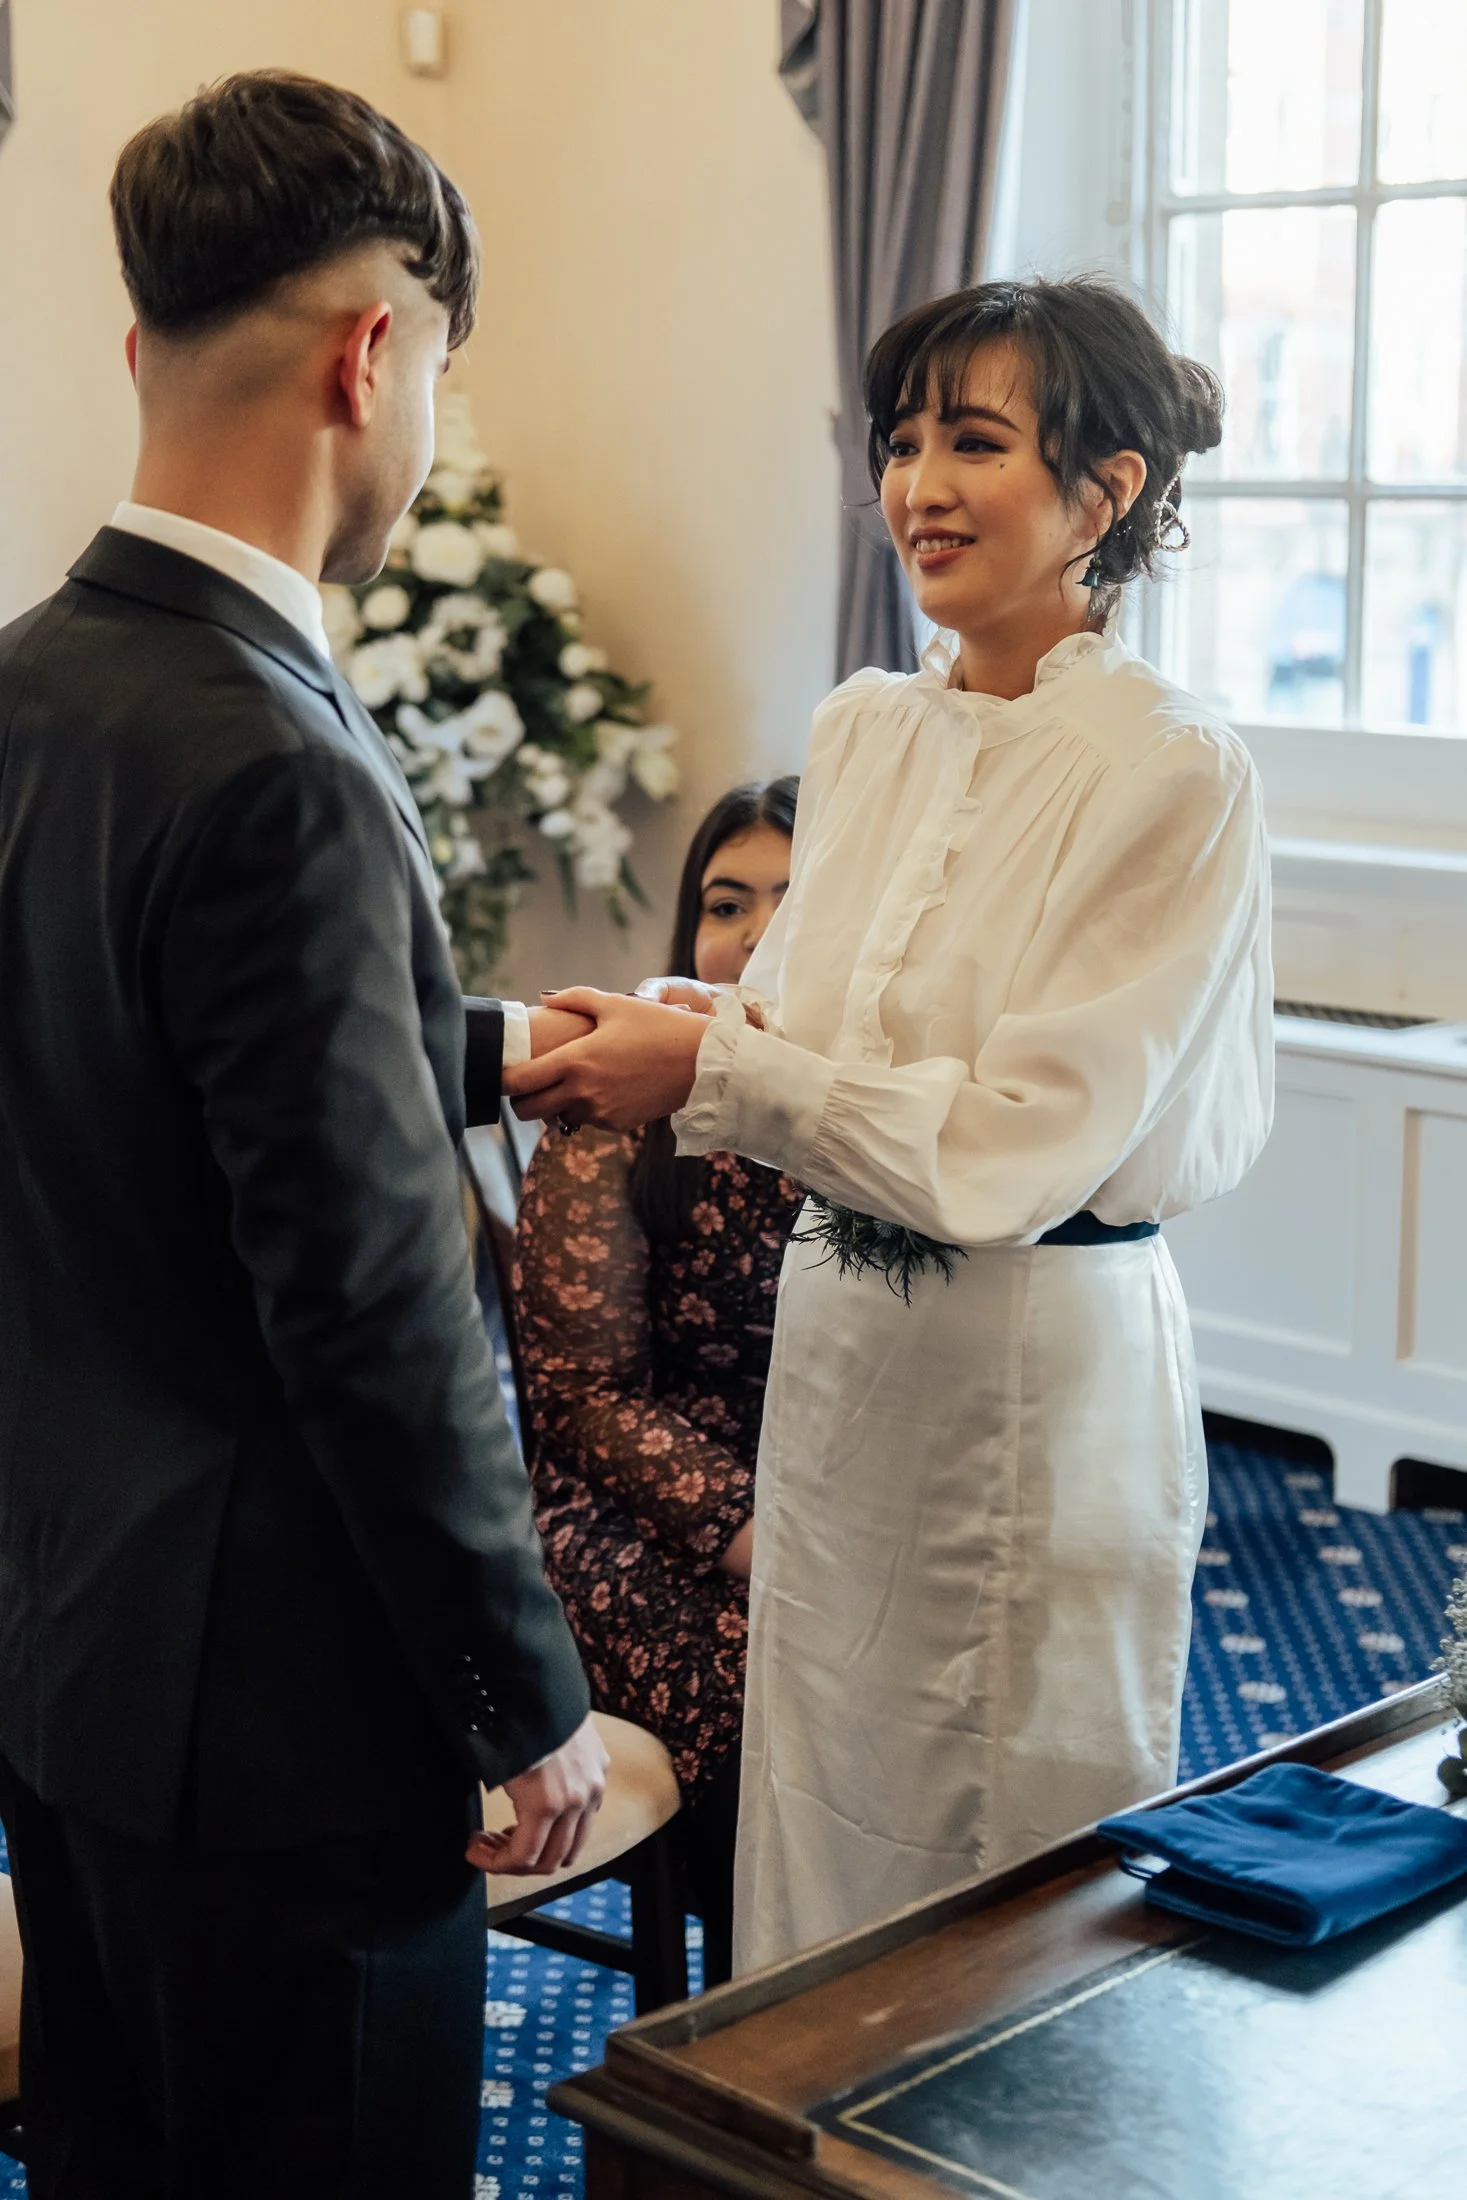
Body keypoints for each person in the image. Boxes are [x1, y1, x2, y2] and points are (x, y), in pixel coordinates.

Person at [0, 71, 695, 2198]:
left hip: (70, 1660)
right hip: (287, 1726)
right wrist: (522, 1692)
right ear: (375, 352)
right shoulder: (276, 757)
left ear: (142, 350)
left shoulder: (37, 684)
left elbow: (111, 1052)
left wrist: (494, 1043)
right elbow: (370, 1311)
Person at [505, 277, 1275, 1970]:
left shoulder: (1174, 772)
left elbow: (1013, 1143)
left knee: (998, 1841)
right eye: (903, 442)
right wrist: (641, 1028)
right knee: (822, 1799)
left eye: (975, 444)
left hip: (1032, 1372)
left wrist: (706, 1073)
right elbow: (795, 1018)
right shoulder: (864, 731)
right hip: (840, 1354)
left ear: (1109, 491)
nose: (919, 485)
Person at [513, 780, 804, 1983]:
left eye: (799, 900)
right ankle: (750, 2016)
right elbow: (581, 1399)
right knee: (767, 1681)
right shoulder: (628, 1097)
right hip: (635, 1501)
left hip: (843, 1475)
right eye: (726, 902)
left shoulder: (902, 1108)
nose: (751, 934)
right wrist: (751, 1532)